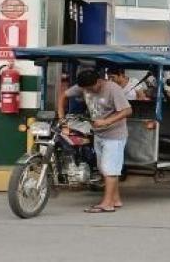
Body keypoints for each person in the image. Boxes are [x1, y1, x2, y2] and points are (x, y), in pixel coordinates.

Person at [57, 70, 132, 213]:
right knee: (105, 168)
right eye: (85, 89)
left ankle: (107, 204)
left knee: (110, 169)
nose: (88, 91)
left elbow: (128, 110)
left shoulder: (112, 88)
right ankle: (115, 199)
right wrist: (61, 118)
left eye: (91, 88)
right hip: (98, 134)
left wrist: (106, 121)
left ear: (98, 81)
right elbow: (63, 96)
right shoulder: (83, 86)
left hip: (115, 135)